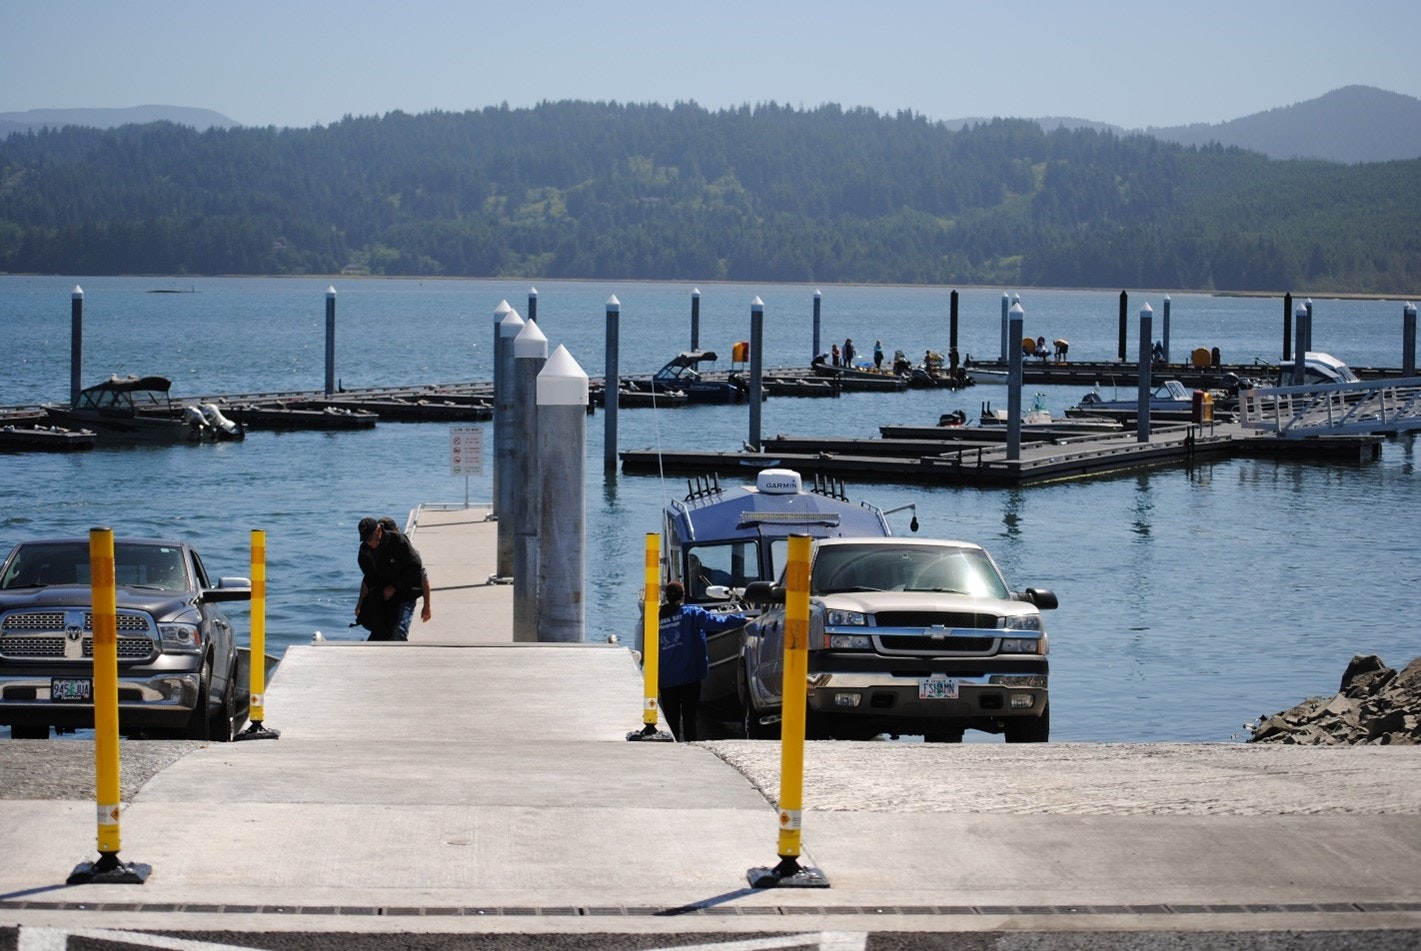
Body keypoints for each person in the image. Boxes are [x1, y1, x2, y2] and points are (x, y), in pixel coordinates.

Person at [656, 580, 747, 741]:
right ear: (683, 596)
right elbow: (719, 622)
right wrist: (741, 619)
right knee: (690, 717)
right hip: (689, 676)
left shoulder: (657, 617)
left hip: (666, 679)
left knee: (671, 720)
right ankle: (691, 745)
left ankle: (672, 747)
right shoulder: (693, 614)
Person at [355, 515, 429, 641]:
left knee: (399, 632)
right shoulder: (365, 551)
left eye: (371, 538)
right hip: (384, 594)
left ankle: (398, 658)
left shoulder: (398, 541)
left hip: (405, 591)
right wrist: (361, 603)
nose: (370, 543)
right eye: (366, 540)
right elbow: (368, 578)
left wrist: (395, 586)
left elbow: (415, 567)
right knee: (379, 630)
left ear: (379, 530)